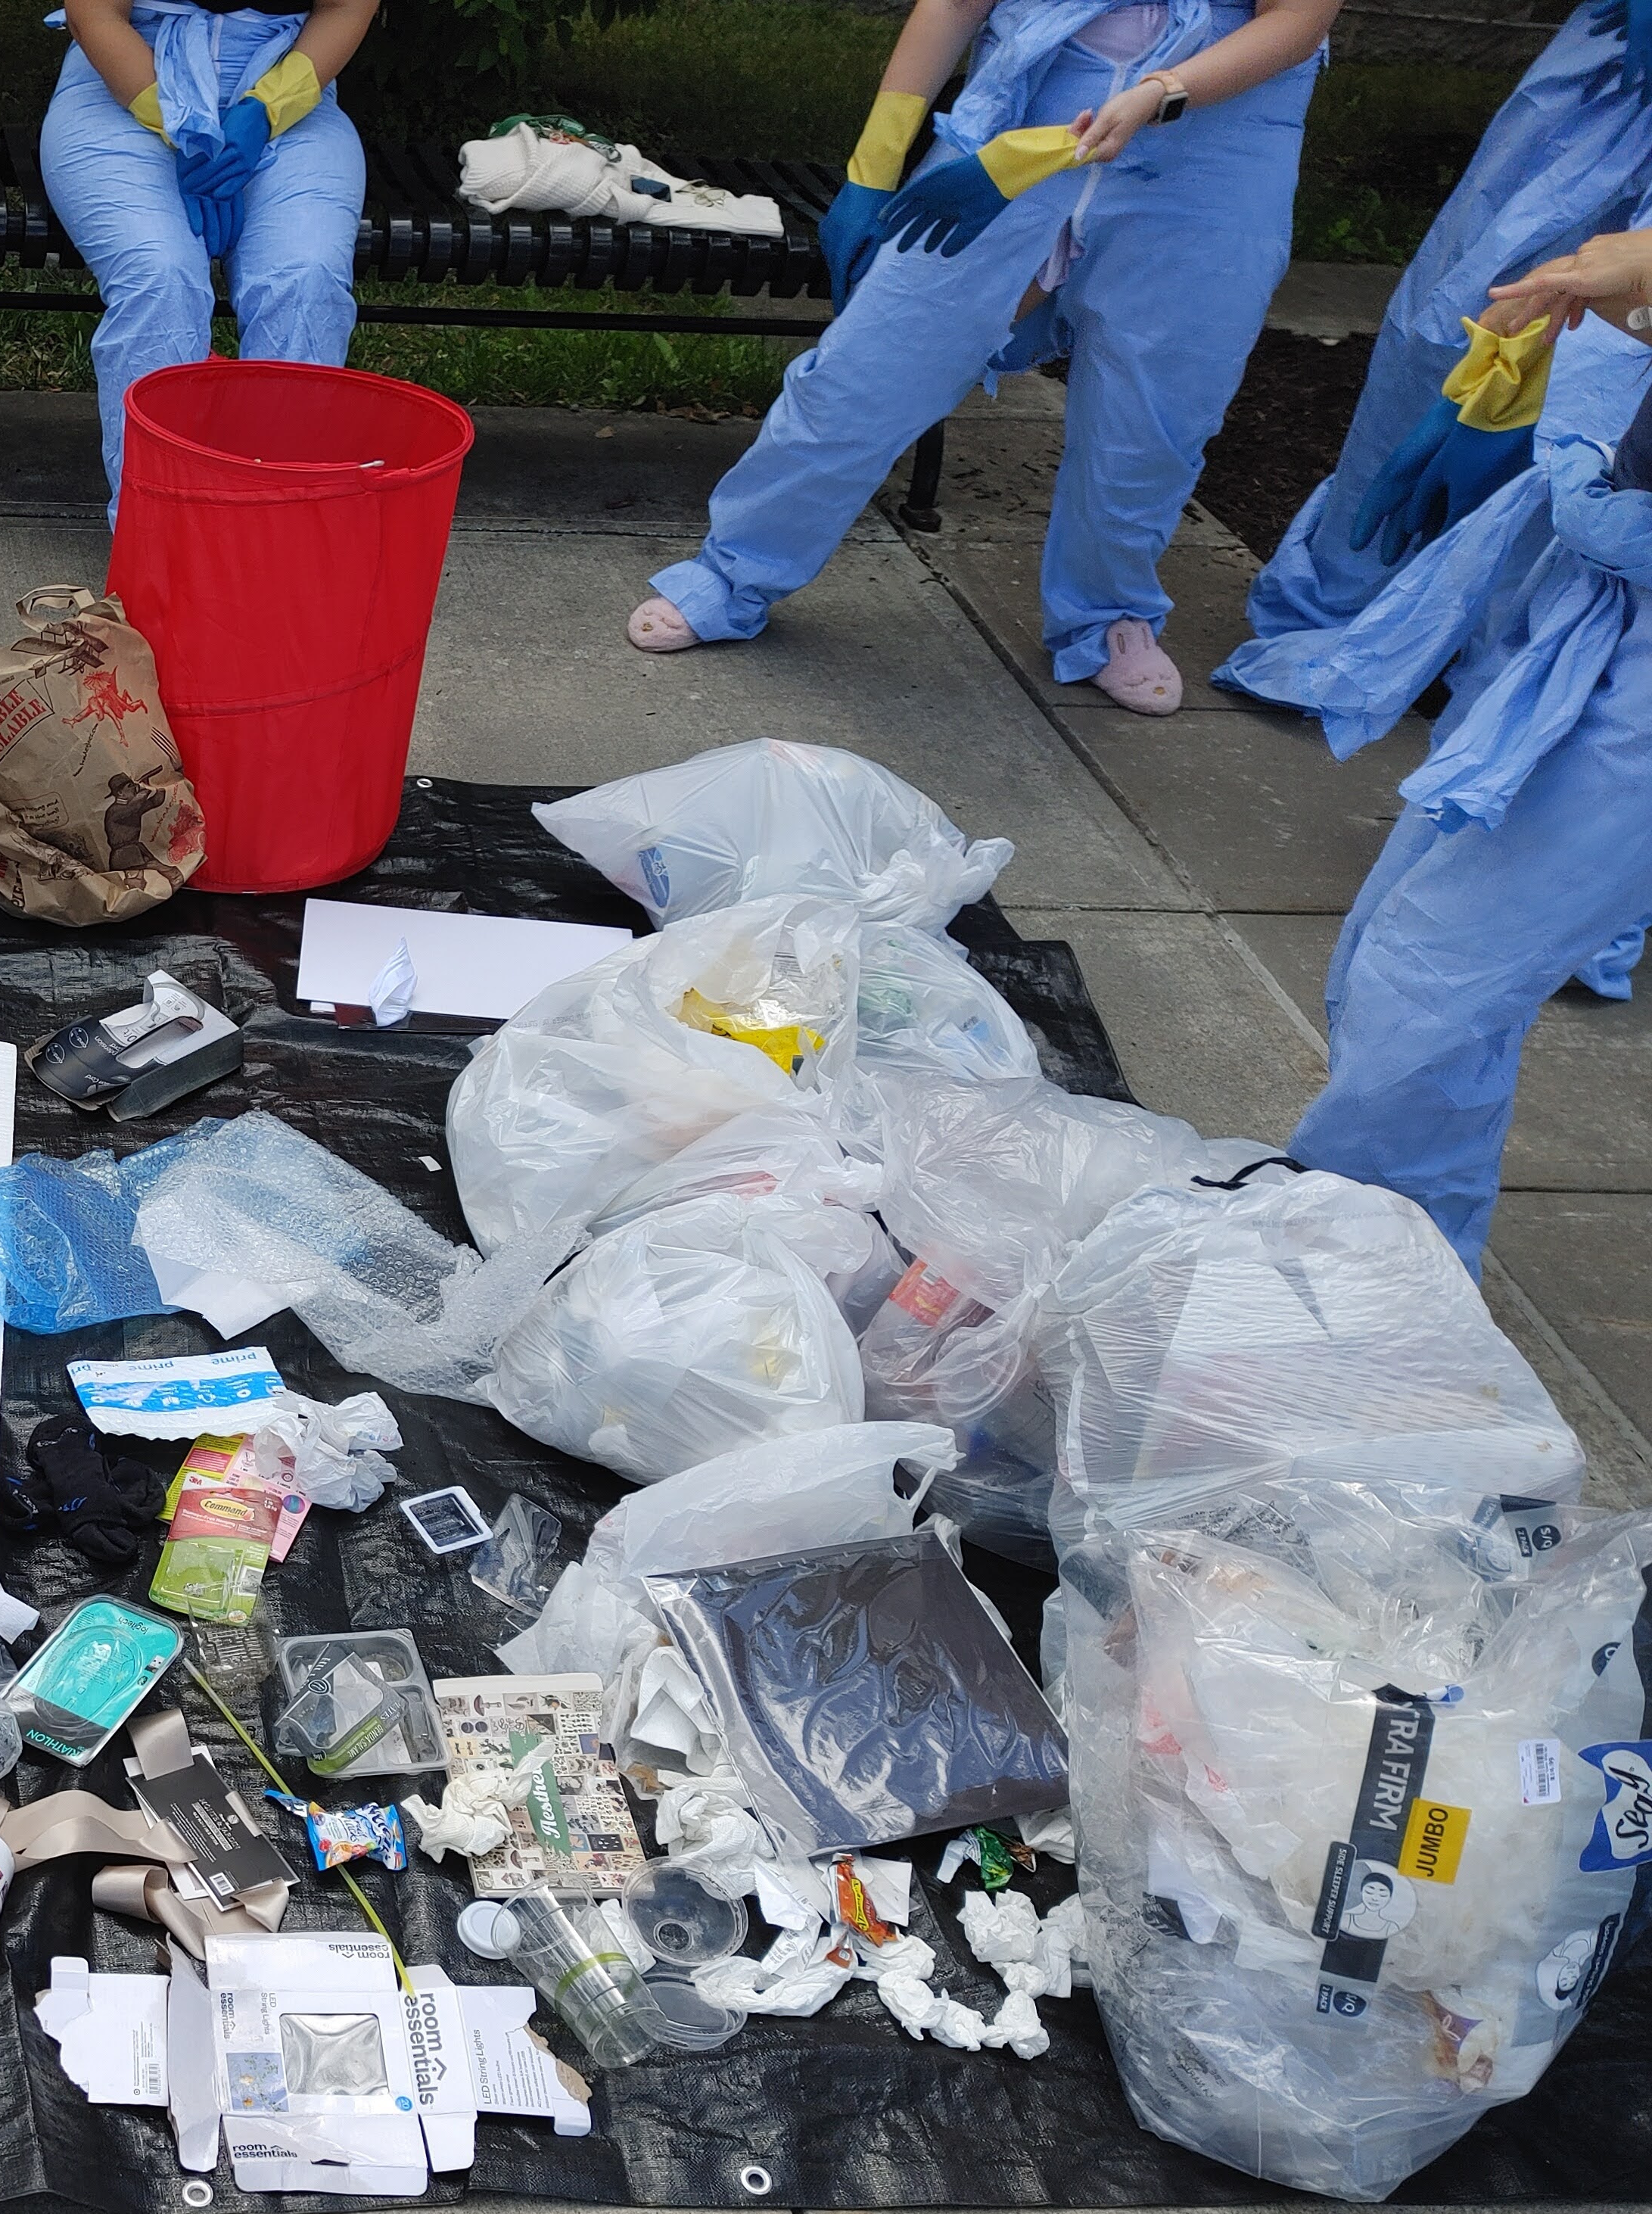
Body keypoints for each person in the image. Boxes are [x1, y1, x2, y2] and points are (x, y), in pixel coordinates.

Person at [629, 0, 1339, 715]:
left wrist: (1160, 92)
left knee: (1151, 422)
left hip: (1213, 170)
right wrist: (875, 164)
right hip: (1012, 140)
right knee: (864, 374)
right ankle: (732, 574)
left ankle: (1108, 618)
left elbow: (1296, 22)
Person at [1282, 255, 1652, 1269]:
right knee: (1394, 961)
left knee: (1431, 986)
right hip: (1608, 599)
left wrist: (1618, 292)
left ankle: (1359, 1270)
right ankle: (1403, 1253)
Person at [1218, 1, 1652, 669]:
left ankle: (1516, 650)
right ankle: (1357, 608)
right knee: (1456, 340)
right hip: (1610, 85)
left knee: (1594, 406)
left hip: (1607, 96)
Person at [40, 0, 378, 506]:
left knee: (306, 279)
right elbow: (96, 13)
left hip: (292, 87)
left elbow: (347, 8)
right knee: (161, 275)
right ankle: (158, 535)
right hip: (126, 84)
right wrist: (180, 123)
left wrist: (266, 111)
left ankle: (275, 523)